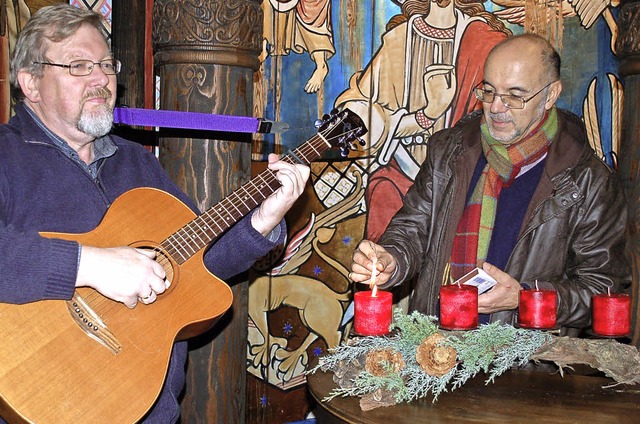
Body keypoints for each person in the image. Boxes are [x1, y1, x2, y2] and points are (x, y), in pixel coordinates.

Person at [0, 4, 310, 423]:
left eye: (107, 65)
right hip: (41, 398)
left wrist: (262, 222)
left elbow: (195, 267)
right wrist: (88, 265)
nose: (101, 79)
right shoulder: (5, 155)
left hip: (146, 407)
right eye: (78, 66)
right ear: (30, 84)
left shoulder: (138, 165)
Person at [349, 33, 630, 335]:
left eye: (514, 95)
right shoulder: (450, 151)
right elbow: (412, 229)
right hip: (433, 351)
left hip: (525, 366)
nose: (496, 107)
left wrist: (523, 298)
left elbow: (602, 289)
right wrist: (392, 259)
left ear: (550, 95)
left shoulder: (587, 181)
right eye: (489, 91)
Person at [334, 0, 510, 242]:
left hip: (465, 176)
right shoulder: (398, 40)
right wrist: (426, 114)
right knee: (383, 194)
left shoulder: (485, 42)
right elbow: (361, 107)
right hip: (404, 171)